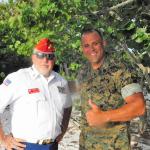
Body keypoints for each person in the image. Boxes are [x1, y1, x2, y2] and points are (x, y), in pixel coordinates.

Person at [78, 27, 146, 150]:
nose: (91, 49)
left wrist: (104, 117)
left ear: (104, 43)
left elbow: (139, 106)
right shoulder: (83, 71)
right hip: (86, 144)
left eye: (95, 43)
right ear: (82, 48)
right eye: (86, 45)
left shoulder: (121, 69)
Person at [0, 38, 72, 150]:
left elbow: (68, 106)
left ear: (55, 59)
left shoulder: (61, 82)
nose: (45, 60)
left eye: (49, 56)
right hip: (24, 146)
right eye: (40, 55)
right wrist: (3, 139)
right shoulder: (18, 78)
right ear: (33, 57)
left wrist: (62, 131)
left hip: (52, 146)